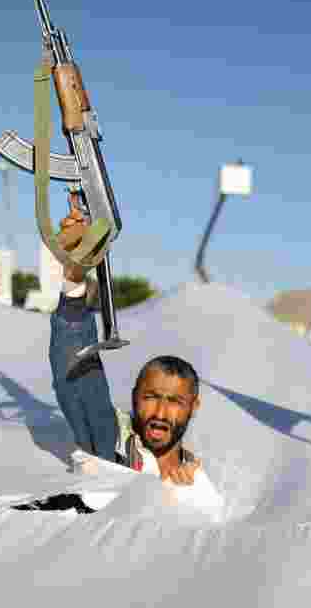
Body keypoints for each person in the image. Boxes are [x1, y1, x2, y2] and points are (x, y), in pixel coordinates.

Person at [51, 195, 209, 489]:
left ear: (194, 406)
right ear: (135, 397)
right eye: (150, 397)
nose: (160, 414)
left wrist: (189, 498)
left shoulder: (202, 479)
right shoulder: (111, 447)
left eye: (175, 401)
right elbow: (76, 373)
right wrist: (75, 275)